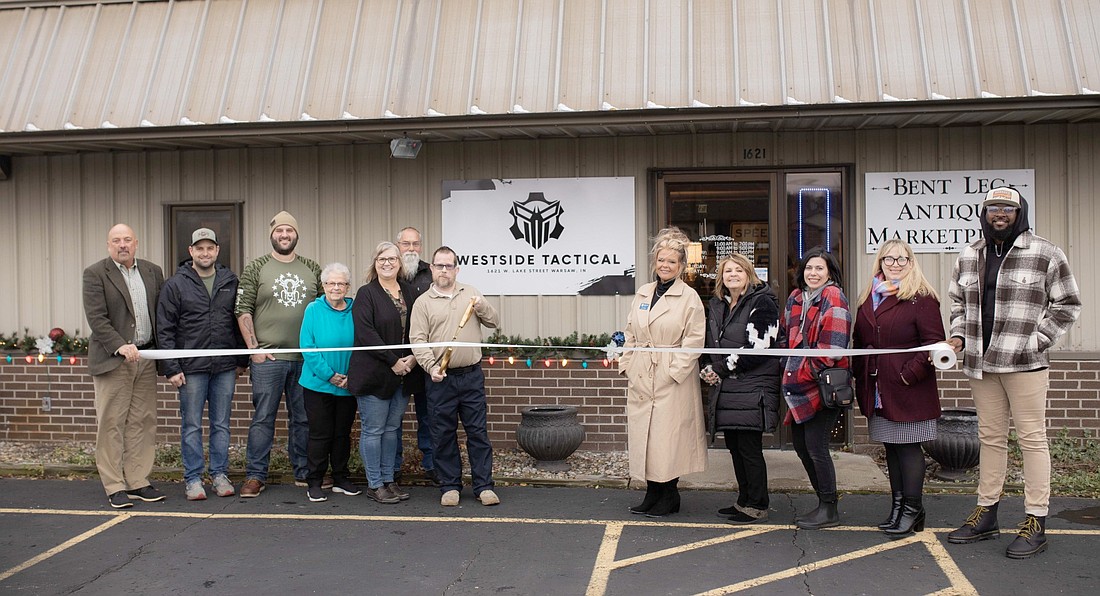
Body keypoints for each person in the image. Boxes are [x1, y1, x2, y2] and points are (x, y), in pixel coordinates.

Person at [946, 187, 1082, 559]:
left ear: (1019, 212)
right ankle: (986, 513)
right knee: (990, 439)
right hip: (981, 363)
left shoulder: (1044, 252)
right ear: (984, 213)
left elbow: (1067, 303)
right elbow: (957, 302)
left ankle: (1036, 520)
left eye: (1008, 208)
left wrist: (1037, 340)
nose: (1000, 214)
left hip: (1024, 364)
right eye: (993, 208)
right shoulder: (970, 254)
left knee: (1032, 440)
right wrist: (958, 336)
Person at [852, 240, 945, 536]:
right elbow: (860, 340)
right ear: (880, 262)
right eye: (889, 259)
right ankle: (898, 506)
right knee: (891, 448)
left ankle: (913, 508)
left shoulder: (922, 298)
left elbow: (934, 343)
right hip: (877, 384)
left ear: (911, 262)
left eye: (902, 259)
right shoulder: (869, 297)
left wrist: (908, 375)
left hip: (908, 388)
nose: (895, 264)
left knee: (908, 448)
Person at [619, 227, 706, 518]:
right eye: (661, 260)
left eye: (672, 262)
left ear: (681, 266)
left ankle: (669, 494)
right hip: (642, 373)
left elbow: (694, 341)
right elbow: (631, 332)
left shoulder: (689, 297)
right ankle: (652, 492)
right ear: (655, 262)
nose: (665, 266)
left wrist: (674, 372)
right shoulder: (644, 292)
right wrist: (627, 364)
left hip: (670, 377)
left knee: (668, 439)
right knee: (645, 435)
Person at [155, 228, 248, 501]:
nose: (205, 253)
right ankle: (193, 479)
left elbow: (238, 321)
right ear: (191, 252)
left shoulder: (230, 281)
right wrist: (172, 368)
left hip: (224, 367)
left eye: (210, 248)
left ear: (217, 250)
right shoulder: (176, 284)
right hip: (191, 367)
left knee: (221, 424)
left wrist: (241, 360)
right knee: (192, 424)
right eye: (200, 248)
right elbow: (165, 328)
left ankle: (219, 474)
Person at [235, 211, 322, 498]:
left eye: (289, 231)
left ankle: (302, 471)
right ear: (272, 235)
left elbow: (323, 310)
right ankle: (256, 475)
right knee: (263, 418)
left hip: (304, 359)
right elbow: (243, 308)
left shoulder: (312, 268)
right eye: (279, 231)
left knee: (303, 418)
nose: (284, 235)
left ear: (297, 234)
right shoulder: (257, 267)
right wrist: (254, 350)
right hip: (268, 359)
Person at [410, 246, 501, 507]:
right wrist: (430, 367)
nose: (443, 270)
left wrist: (483, 307)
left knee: (478, 432)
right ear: (432, 269)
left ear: (456, 269)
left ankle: (484, 486)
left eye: (449, 266)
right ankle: (450, 486)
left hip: (471, 376)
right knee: (443, 434)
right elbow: (417, 340)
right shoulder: (423, 303)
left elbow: (494, 321)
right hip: (440, 380)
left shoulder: (471, 293)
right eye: (439, 265)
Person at [82, 223, 166, 509]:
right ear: (108, 245)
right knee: (112, 422)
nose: (122, 245)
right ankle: (114, 485)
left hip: (145, 358)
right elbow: (97, 319)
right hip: (114, 359)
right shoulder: (95, 273)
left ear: (136, 243)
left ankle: (138, 480)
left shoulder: (153, 271)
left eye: (127, 240)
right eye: (116, 240)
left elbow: (161, 313)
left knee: (143, 421)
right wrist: (120, 344)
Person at [700, 254, 782, 524]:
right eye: (727, 271)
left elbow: (758, 349)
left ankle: (758, 505)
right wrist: (708, 368)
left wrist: (720, 369)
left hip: (753, 388)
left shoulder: (763, 302)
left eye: (738, 270)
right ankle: (744, 501)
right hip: (729, 389)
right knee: (735, 447)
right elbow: (712, 346)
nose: (732, 275)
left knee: (749, 449)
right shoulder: (718, 305)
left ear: (749, 274)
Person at [781, 247, 851, 529]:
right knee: (801, 445)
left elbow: (833, 348)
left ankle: (829, 508)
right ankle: (822, 500)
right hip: (796, 383)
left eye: (819, 268)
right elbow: (787, 337)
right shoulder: (796, 297)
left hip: (822, 385)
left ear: (830, 272)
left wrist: (804, 372)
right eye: (809, 268)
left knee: (816, 446)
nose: (813, 273)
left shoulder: (833, 296)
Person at [348, 243, 417, 504]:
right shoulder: (366, 293)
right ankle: (374, 484)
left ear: (400, 263)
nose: (387, 263)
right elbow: (366, 333)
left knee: (391, 429)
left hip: (405, 371)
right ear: (374, 262)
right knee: (374, 430)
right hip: (374, 373)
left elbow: (418, 327)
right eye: (381, 258)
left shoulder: (410, 291)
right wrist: (393, 361)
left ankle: (389, 481)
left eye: (392, 258)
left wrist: (412, 357)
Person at [298, 262, 361, 502]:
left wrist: (349, 377)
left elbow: (363, 345)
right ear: (323, 286)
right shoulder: (313, 310)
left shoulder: (356, 309)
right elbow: (308, 347)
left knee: (342, 434)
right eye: (331, 283)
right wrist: (330, 376)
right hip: (318, 384)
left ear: (348, 286)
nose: (336, 287)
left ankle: (341, 478)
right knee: (320, 434)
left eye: (341, 283)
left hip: (348, 384)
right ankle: (314, 480)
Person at [394, 226, 437, 485]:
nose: (411, 248)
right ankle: (393, 468)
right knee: (393, 418)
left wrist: (419, 355)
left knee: (428, 416)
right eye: (406, 243)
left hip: (425, 359)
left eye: (415, 244)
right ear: (397, 245)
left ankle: (432, 466)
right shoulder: (387, 270)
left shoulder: (430, 273)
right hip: (396, 361)